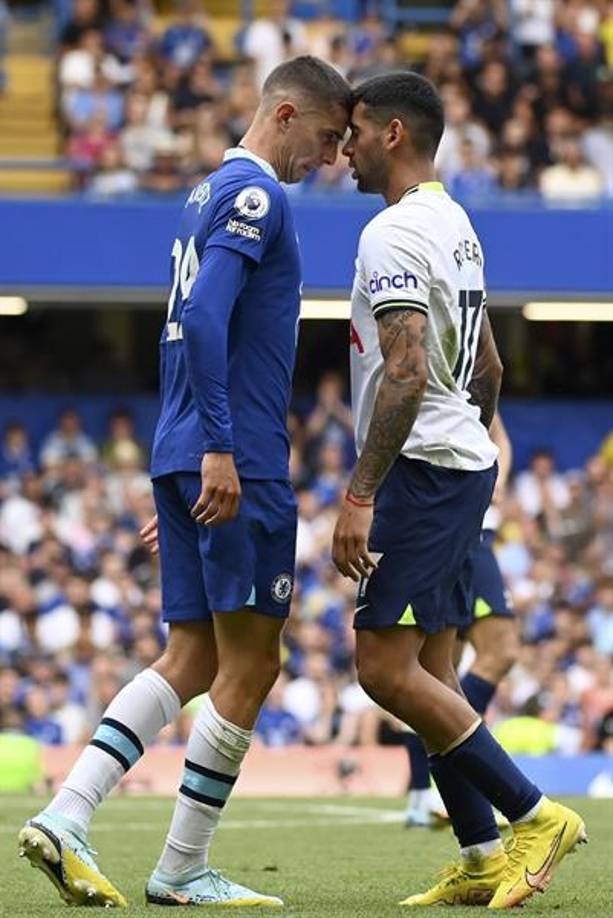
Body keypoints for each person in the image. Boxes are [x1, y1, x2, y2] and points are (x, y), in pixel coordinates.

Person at [18, 55, 351, 908]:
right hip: (232, 451)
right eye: (322, 137)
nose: (327, 157)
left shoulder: (203, 195)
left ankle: (67, 814)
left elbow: (187, 321)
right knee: (253, 663)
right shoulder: (257, 198)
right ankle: (180, 865)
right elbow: (203, 316)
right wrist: (219, 447)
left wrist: (184, 456)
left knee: (193, 653)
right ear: (282, 115)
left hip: (188, 448)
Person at [333, 71, 586, 909]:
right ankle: (480, 856)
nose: (345, 149)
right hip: (455, 463)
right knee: (435, 669)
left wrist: (361, 493)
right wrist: (475, 443)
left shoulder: (392, 234)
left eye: (357, 132)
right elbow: (487, 363)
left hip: (419, 469)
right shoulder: (457, 224)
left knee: (381, 668)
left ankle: (534, 815)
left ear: (395, 133)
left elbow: (405, 377)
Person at [404, 411, 520, 828]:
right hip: (455, 519)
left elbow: (499, 436)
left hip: (469, 517)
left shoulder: (471, 358)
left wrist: (497, 482)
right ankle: (438, 787)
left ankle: (428, 791)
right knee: (463, 663)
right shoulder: (429, 359)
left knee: (445, 670)